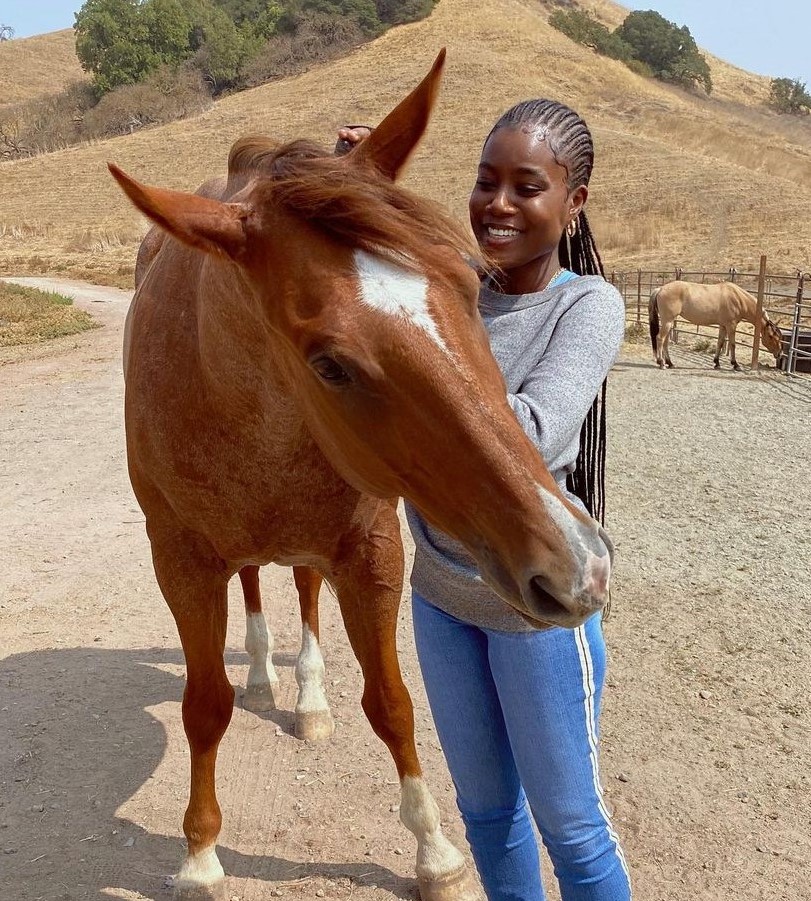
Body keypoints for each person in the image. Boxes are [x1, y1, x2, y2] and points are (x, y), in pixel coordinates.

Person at [338, 99, 631, 901]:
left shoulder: (586, 306)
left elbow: (526, 433)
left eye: (525, 186)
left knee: (571, 827)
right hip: (441, 594)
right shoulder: (451, 288)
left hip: (534, 601)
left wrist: (417, 379)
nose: (498, 204)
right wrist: (362, 185)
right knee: (485, 813)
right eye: (484, 181)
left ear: (572, 203)